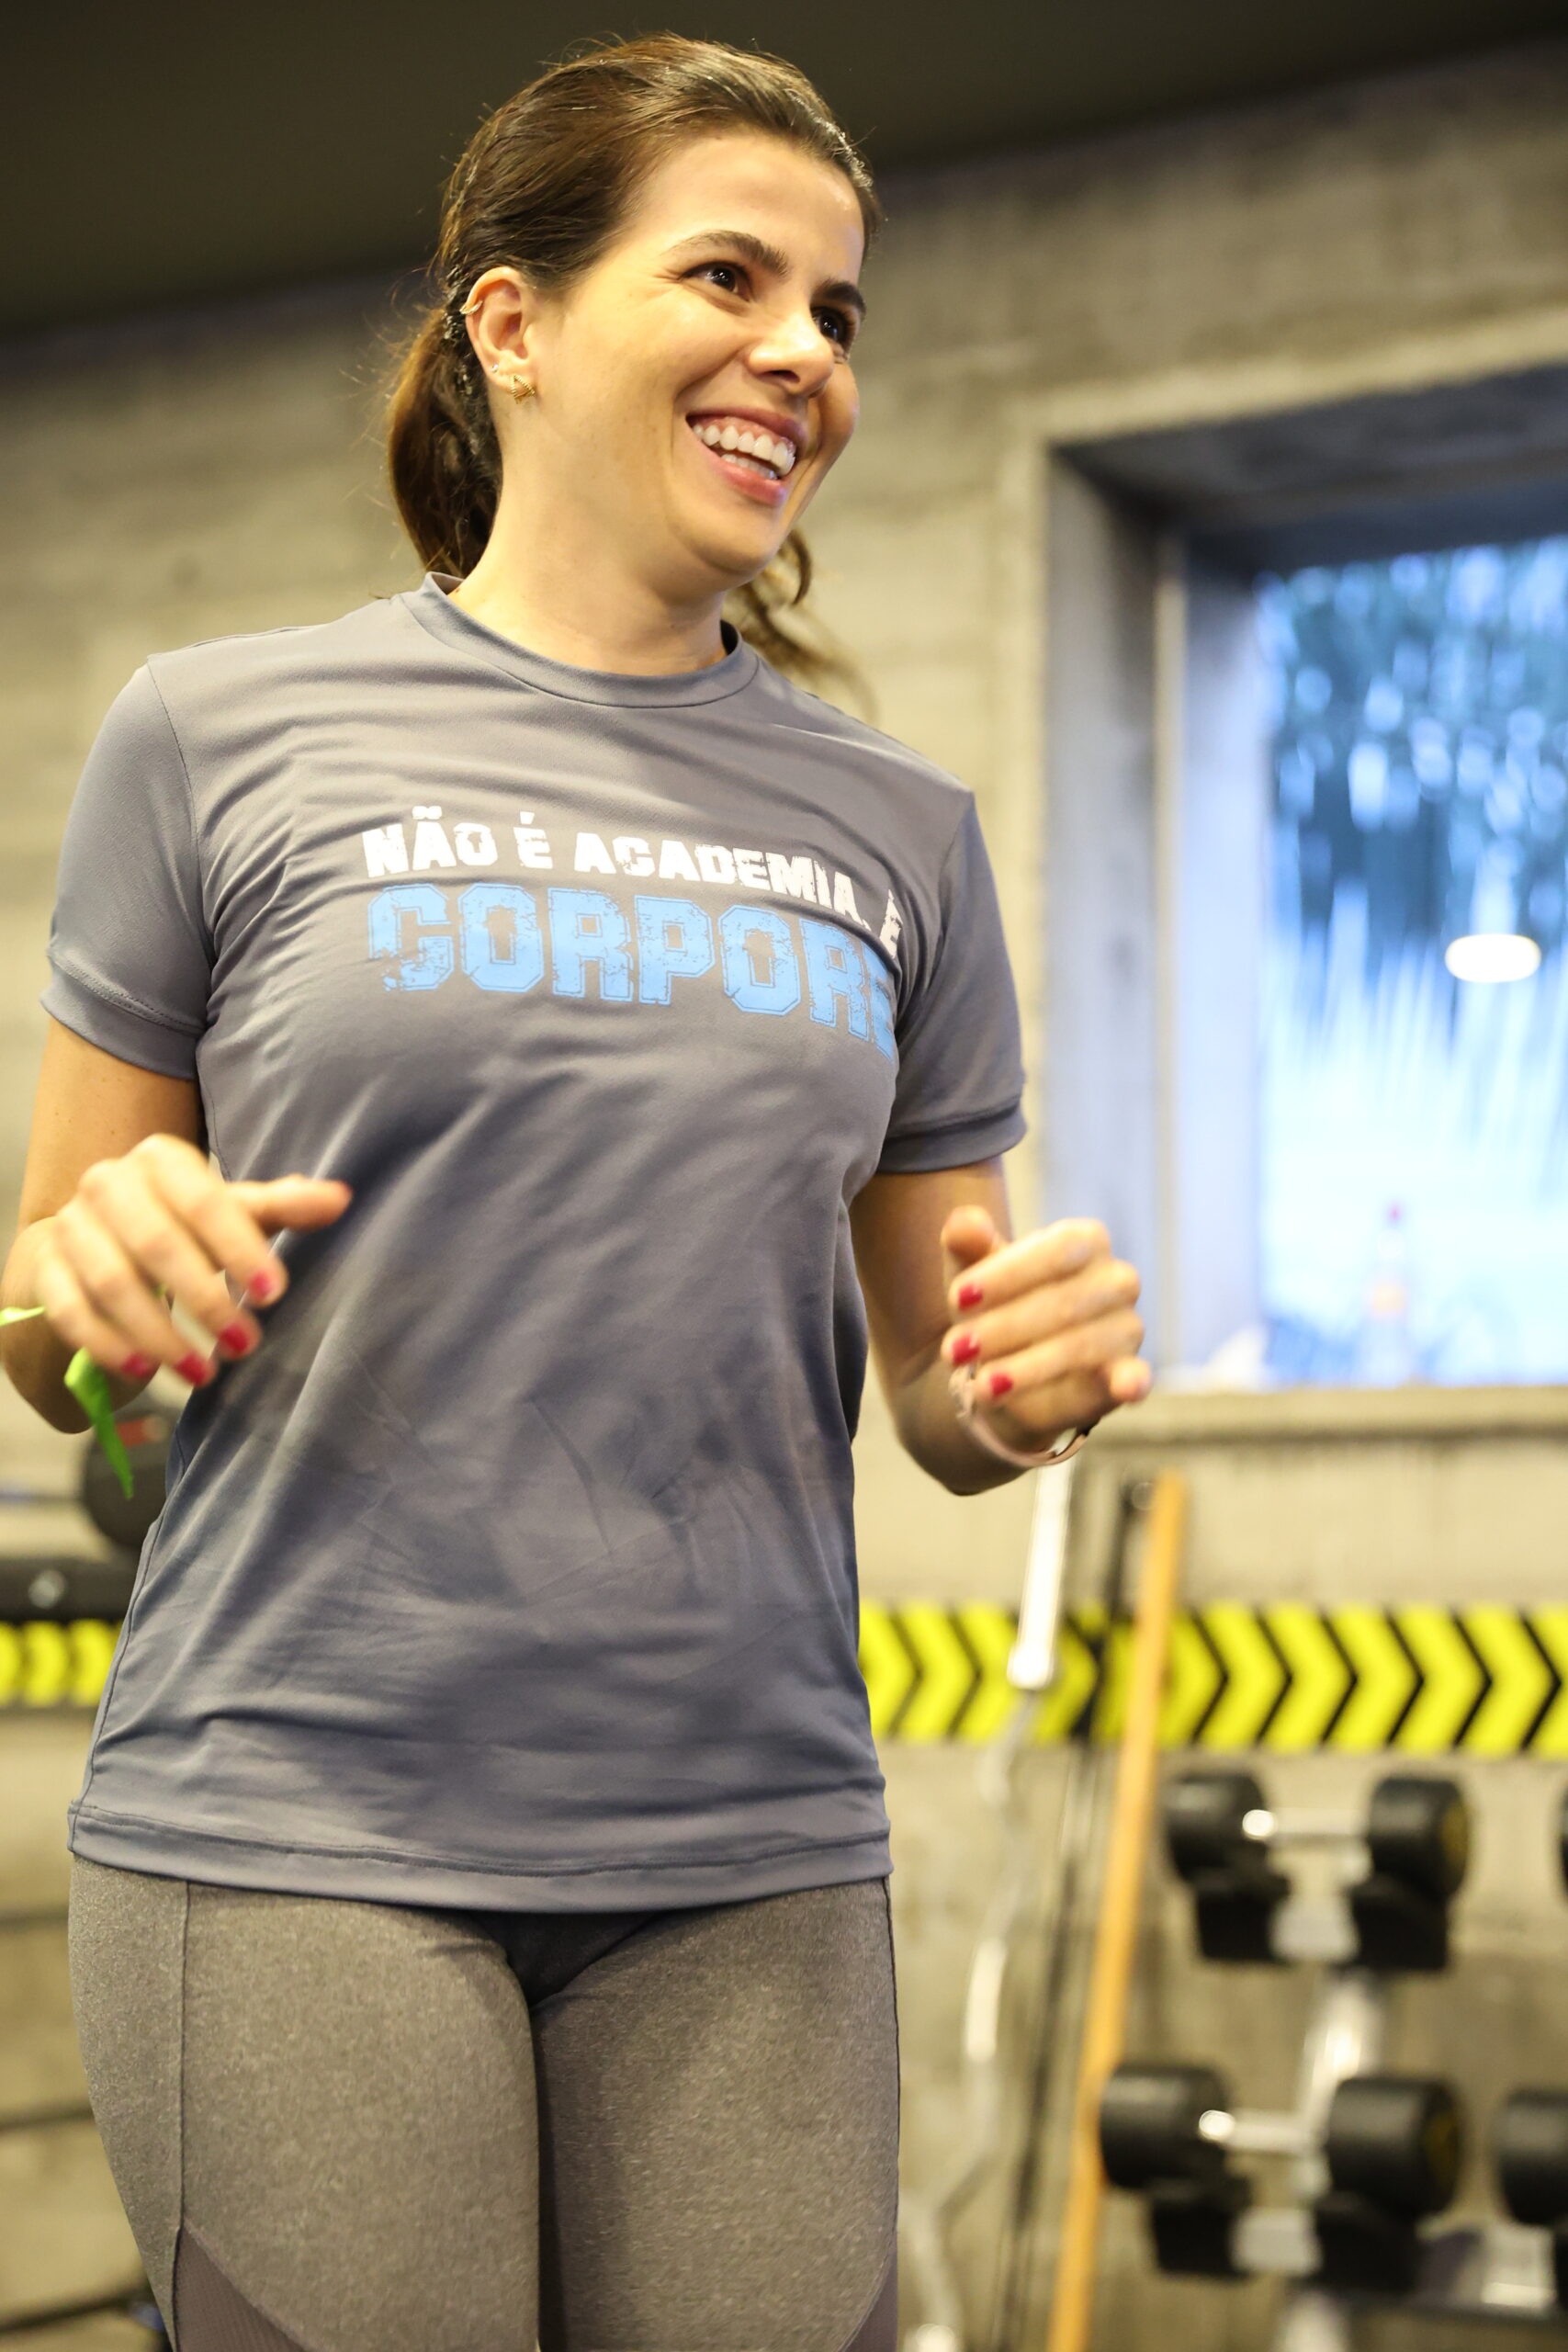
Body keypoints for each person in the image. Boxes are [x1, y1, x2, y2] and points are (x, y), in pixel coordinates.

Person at [0, 36, 1148, 2352]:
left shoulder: (899, 832)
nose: (801, 352)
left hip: (750, 1846)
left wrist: (1023, 1377)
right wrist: (79, 1284)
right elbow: (48, 1329)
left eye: (836, 310)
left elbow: (941, 1382)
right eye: (728, 276)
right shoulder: (216, 735)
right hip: (296, 1825)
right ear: (508, 324)